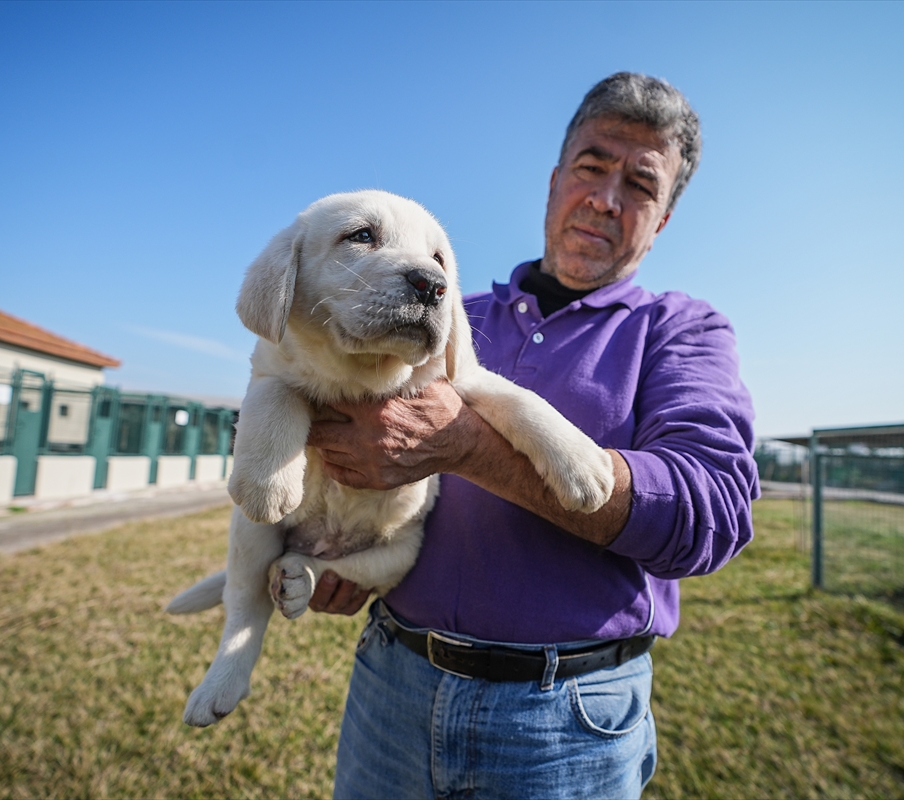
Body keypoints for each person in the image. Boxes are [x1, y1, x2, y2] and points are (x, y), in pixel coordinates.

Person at [305, 72, 759, 800]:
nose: (606, 200)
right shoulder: (444, 309)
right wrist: (345, 547)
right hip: (392, 684)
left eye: (641, 185)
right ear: (554, 180)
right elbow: (341, 422)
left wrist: (472, 448)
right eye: (591, 167)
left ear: (664, 217)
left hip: (563, 725)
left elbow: (711, 514)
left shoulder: (679, 331)